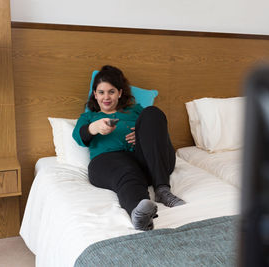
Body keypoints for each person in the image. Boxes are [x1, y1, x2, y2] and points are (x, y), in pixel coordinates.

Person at [72, 65, 185, 231]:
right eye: (101, 92)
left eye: (111, 91)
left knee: (152, 112)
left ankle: (162, 189)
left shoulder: (135, 111)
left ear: (119, 92)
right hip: (108, 163)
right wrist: (94, 128)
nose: (106, 97)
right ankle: (139, 214)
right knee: (127, 172)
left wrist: (142, 136)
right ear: (94, 95)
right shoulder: (89, 117)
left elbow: (158, 132)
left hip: (145, 160)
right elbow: (79, 136)